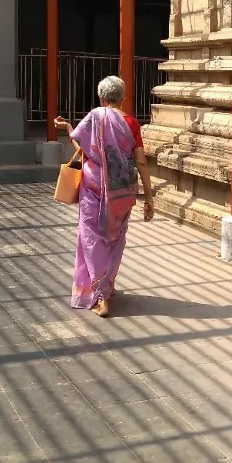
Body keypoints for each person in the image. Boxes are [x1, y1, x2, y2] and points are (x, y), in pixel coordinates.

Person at [54, 76, 155, 318]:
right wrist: (149, 196)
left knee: (91, 236)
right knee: (115, 236)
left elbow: (81, 146)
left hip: (94, 185)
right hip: (123, 189)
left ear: (101, 97)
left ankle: (100, 296)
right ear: (123, 98)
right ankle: (107, 284)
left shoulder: (94, 117)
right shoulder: (131, 123)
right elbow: (140, 160)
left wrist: (67, 128)